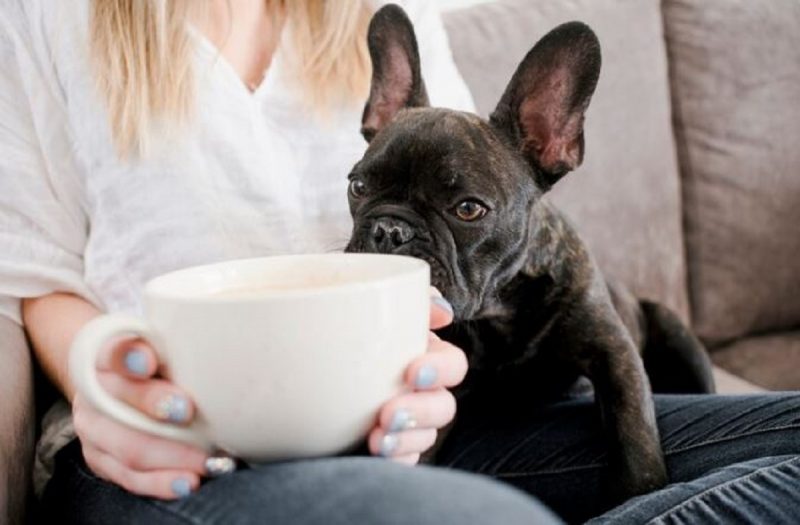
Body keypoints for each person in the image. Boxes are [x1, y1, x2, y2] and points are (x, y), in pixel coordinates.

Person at [0, 1, 798, 523]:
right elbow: (32, 276)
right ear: (378, 113)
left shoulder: (377, 9)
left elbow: (483, 182)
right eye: (369, 197)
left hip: (431, 431)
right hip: (183, 453)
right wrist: (103, 387)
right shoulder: (43, 17)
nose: (389, 233)